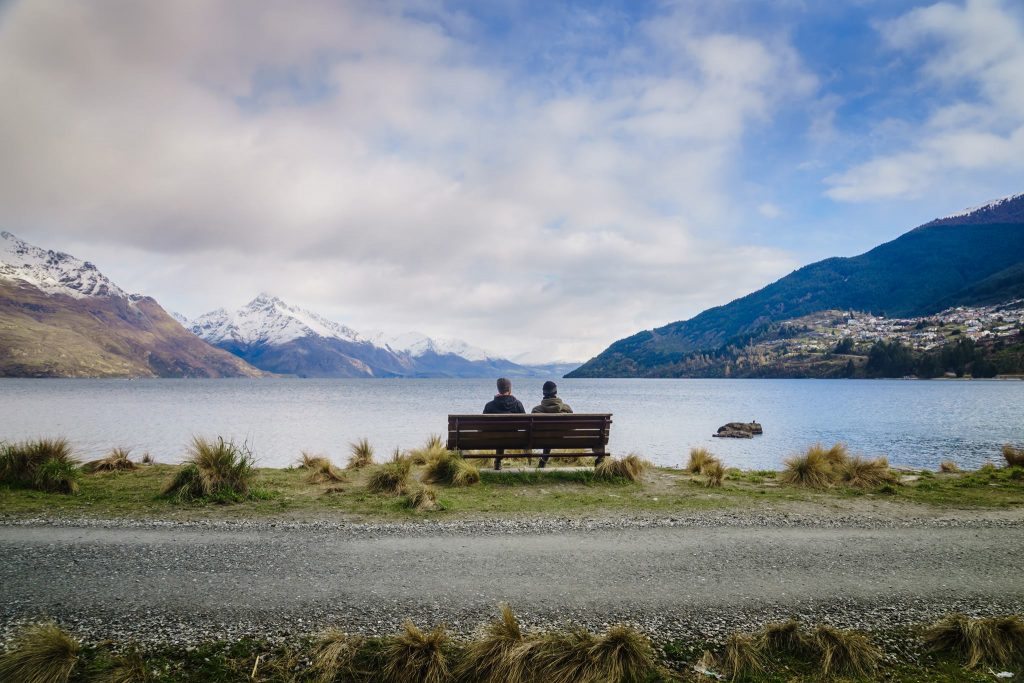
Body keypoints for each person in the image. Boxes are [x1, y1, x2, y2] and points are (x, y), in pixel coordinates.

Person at [531, 380, 572, 468]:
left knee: (547, 436)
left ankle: (543, 461)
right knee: (551, 435)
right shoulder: (567, 408)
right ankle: (543, 460)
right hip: (563, 439)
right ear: (556, 392)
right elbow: (572, 427)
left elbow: (532, 428)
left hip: (542, 439)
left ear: (543, 393)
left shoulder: (536, 410)